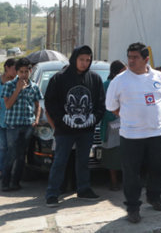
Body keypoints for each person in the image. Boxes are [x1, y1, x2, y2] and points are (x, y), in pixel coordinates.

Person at [105, 42, 161, 224]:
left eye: (135, 57)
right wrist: (127, 115)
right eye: (129, 57)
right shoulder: (120, 80)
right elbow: (111, 107)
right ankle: (133, 207)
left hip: (156, 134)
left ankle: (154, 197)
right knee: (132, 174)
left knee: (157, 169)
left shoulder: (159, 76)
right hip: (131, 136)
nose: (131, 61)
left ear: (146, 59)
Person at [44, 45, 106, 207]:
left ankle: (84, 189)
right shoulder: (59, 78)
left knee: (84, 161)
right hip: (64, 130)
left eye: (88, 60)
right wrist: (62, 118)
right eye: (82, 59)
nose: (85, 63)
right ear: (74, 59)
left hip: (87, 130)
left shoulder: (95, 79)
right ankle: (52, 193)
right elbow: (50, 102)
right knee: (59, 161)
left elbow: (101, 103)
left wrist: (94, 118)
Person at [0, 58, 42, 191]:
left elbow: (38, 105)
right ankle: (5, 182)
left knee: (21, 155)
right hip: (13, 125)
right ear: (17, 72)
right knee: (11, 153)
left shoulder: (34, 86)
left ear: (30, 71)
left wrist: (37, 119)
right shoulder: (9, 86)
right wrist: (17, 90)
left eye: (26, 71)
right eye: (21, 72)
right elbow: (7, 105)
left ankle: (16, 182)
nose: (24, 74)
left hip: (28, 124)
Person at [100, 60, 126, 191]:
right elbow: (105, 105)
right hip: (112, 124)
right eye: (122, 70)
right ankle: (113, 181)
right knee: (112, 153)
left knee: (125, 152)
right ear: (116, 71)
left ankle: (125, 180)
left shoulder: (125, 84)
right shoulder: (106, 85)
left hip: (126, 123)